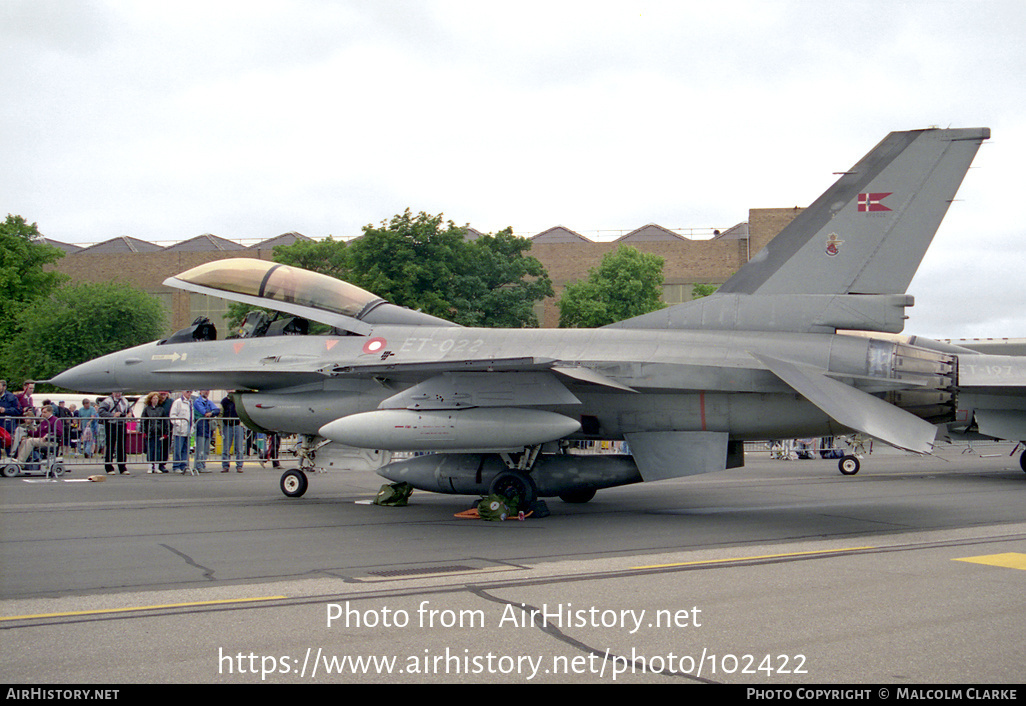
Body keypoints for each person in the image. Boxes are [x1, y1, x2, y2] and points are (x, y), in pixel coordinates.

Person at [97, 391, 131, 475]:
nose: (118, 394)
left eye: (119, 392)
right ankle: (109, 468)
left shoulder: (125, 400)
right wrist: (112, 415)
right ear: (112, 392)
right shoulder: (107, 401)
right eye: (116, 392)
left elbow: (129, 410)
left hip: (122, 424)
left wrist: (129, 414)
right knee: (110, 446)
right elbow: (101, 411)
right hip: (111, 425)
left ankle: (122, 467)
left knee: (122, 446)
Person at [192, 390, 219, 473]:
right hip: (200, 426)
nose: (206, 392)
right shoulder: (197, 401)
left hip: (208, 427)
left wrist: (211, 413)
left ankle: (203, 465)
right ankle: (198, 466)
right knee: (200, 448)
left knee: (206, 448)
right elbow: (204, 412)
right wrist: (211, 413)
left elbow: (217, 410)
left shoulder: (209, 402)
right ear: (200, 391)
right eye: (205, 390)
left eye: (208, 391)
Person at [140, 392, 166, 473]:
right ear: (150, 399)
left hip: (158, 432)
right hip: (150, 432)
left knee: (158, 450)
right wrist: (144, 431)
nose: (155, 400)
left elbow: (165, 422)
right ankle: (150, 467)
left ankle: (157, 466)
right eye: (154, 398)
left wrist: (165, 432)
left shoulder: (161, 409)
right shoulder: (146, 409)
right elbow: (143, 421)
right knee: (150, 450)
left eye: (157, 398)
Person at [170, 390, 194, 474]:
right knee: (178, 449)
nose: (189, 393)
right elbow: (172, 415)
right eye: (187, 392)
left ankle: (184, 465)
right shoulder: (177, 402)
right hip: (179, 430)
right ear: (183, 392)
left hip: (188, 430)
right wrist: (179, 424)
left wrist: (192, 428)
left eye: (190, 392)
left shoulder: (190, 402)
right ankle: (176, 466)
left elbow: (191, 417)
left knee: (185, 450)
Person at [220, 393, 244, 473]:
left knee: (239, 447)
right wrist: (220, 426)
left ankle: (239, 466)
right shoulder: (224, 401)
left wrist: (243, 423)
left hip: (238, 425)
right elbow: (221, 414)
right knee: (226, 447)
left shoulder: (239, 401)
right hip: (227, 426)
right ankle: (225, 465)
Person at [0, 380, 22, 457]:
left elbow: (18, 410)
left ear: (4, 387)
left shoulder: (12, 397)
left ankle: (8, 461)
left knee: (7, 444)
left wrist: (5, 410)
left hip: (7, 425)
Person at [157, 391, 173, 472]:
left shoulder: (170, 402)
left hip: (167, 427)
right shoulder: (156, 401)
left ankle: (162, 464)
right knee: (157, 446)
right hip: (157, 427)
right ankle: (155, 464)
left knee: (166, 447)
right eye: (161, 394)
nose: (163, 396)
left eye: (164, 394)